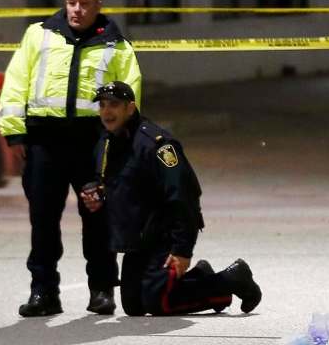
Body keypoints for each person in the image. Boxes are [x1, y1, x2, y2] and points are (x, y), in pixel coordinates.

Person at [0, 0, 142, 317]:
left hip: (93, 141)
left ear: (98, 6)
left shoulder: (117, 45)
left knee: (98, 218)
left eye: (84, 4)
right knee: (43, 220)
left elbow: (130, 94)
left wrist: (123, 141)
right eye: (71, 3)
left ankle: (102, 290)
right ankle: (44, 292)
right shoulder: (39, 34)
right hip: (44, 140)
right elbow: (17, 81)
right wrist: (14, 134)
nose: (76, 10)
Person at [81, 80, 262, 316]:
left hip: (165, 235)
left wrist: (182, 250)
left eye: (114, 105)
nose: (106, 111)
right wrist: (97, 192)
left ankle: (231, 280)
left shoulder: (157, 145)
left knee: (158, 302)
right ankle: (202, 278)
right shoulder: (106, 143)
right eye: (103, 105)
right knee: (134, 305)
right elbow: (111, 182)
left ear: (131, 108)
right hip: (139, 238)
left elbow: (184, 196)